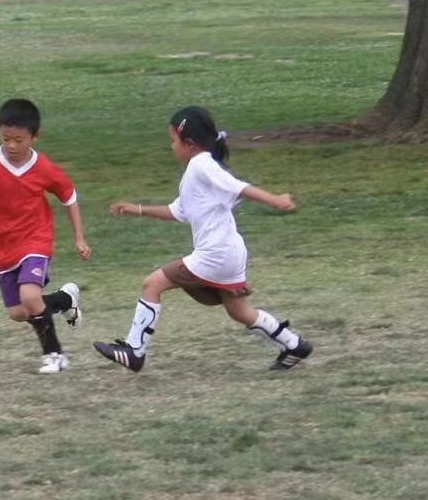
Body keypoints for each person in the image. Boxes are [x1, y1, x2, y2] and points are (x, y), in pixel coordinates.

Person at [93, 106, 314, 373]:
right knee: (239, 311)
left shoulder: (202, 164)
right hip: (231, 253)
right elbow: (178, 211)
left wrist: (275, 200)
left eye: (173, 141)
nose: (171, 147)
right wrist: (137, 209)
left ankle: (134, 351)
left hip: (215, 254)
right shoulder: (197, 171)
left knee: (152, 283)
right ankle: (294, 346)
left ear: (189, 143)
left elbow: (237, 186)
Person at [0, 99, 92, 374]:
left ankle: (55, 356)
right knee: (19, 312)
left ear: (35, 136)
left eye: (19, 140)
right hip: (4, 247)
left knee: (30, 295)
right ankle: (66, 299)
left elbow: (69, 197)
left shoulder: (43, 167)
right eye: (6, 138)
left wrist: (79, 237)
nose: (11, 146)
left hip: (36, 240)